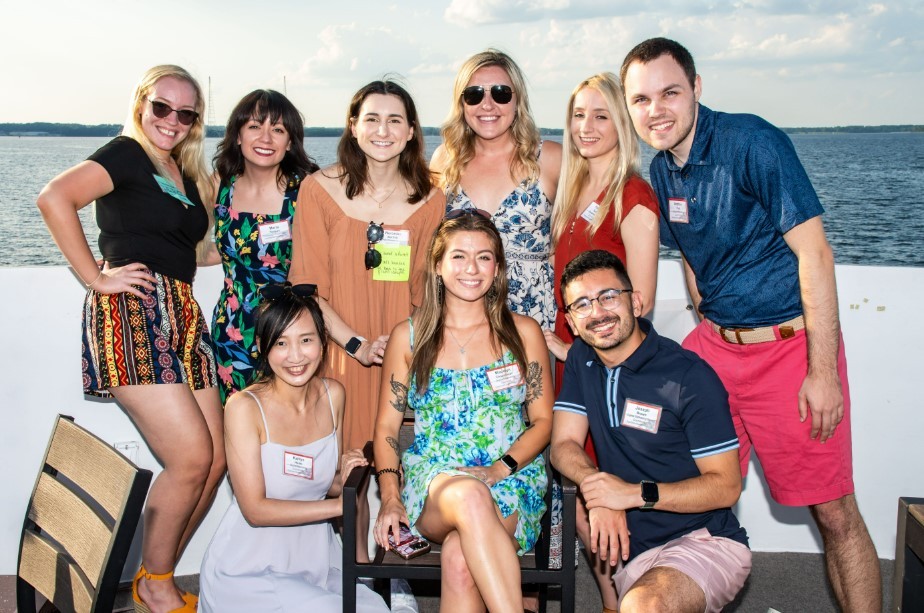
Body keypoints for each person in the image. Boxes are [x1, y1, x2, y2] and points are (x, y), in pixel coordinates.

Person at [620, 37, 881, 611]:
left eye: (669, 92)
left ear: (697, 89)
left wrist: (822, 372)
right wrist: (703, 328)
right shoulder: (661, 172)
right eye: (640, 99)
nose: (655, 110)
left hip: (789, 351)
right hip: (716, 349)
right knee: (692, 498)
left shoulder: (753, 142)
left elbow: (815, 255)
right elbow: (691, 255)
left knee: (834, 511)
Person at [36, 65, 225, 613]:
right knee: (191, 458)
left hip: (183, 314)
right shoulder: (125, 153)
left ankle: (152, 574)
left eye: (185, 113)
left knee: (214, 465)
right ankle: (158, 587)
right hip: (133, 315)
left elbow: (196, 251)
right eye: (161, 107)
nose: (171, 120)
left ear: (195, 123)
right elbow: (54, 198)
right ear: (142, 104)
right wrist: (97, 277)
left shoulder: (184, 172)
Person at [373, 211, 553, 613]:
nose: (471, 269)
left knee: (458, 557)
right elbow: (386, 427)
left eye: (484, 257)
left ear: (498, 267)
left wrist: (500, 468)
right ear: (437, 265)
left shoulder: (523, 333)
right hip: (433, 484)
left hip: (510, 479)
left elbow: (543, 422)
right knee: (470, 496)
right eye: (458, 256)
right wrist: (389, 498)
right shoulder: (410, 337)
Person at [552, 250, 751, 612]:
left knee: (645, 606)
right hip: (635, 548)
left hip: (702, 540)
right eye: (581, 305)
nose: (597, 313)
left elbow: (726, 486)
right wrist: (598, 489)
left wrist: (631, 495)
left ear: (636, 301)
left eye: (608, 296)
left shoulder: (690, 377)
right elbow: (562, 444)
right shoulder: (583, 358)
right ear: (572, 323)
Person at [544, 72, 660, 611]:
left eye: (600, 115)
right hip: (577, 369)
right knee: (584, 496)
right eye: (578, 115)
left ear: (622, 123)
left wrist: (572, 351)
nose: (586, 127)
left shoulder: (632, 195)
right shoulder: (572, 190)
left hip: (609, 370)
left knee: (609, 493)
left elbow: (641, 304)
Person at [199, 286, 388, 613]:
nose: (296, 356)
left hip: (316, 557)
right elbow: (255, 511)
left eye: (306, 340)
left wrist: (347, 473)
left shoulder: (334, 395)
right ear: (263, 347)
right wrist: (339, 508)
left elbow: (327, 485)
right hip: (252, 569)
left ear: (322, 342)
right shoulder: (244, 407)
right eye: (281, 343)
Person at [289, 79, 444, 453]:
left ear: (410, 132)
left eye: (395, 120)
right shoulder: (318, 190)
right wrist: (356, 344)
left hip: (402, 357)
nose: (382, 130)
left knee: (401, 474)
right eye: (372, 118)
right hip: (336, 353)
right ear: (353, 126)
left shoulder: (431, 201)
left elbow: (428, 293)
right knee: (344, 475)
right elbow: (306, 289)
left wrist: (402, 344)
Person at [431, 48, 562, 332]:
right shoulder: (445, 160)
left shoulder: (551, 158)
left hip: (535, 317)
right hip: (462, 315)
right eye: (474, 94)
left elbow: (574, 239)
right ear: (461, 103)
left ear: (518, 101)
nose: (487, 105)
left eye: (501, 93)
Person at [205, 89, 319, 404]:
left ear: (291, 141)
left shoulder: (308, 190)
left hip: (290, 335)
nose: (266, 138)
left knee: (289, 427)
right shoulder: (220, 184)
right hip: (232, 331)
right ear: (238, 135)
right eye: (255, 126)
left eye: (278, 129)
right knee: (239, 430)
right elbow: (212, 248)